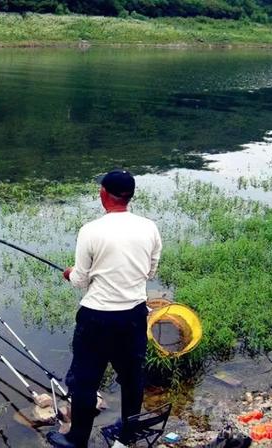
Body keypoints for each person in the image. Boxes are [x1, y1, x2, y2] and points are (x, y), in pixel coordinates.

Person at [47, 169, 162, 448]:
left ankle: (77, 440)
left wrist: (69, 273)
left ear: (103, 195)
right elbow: (150, 271)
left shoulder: (91, 230)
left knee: (85, 382)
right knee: (132, 378)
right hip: (134, 316)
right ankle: (128, 434)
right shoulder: (149, 227)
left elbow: (79, 280)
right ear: (130, 196)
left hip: (96, 319)